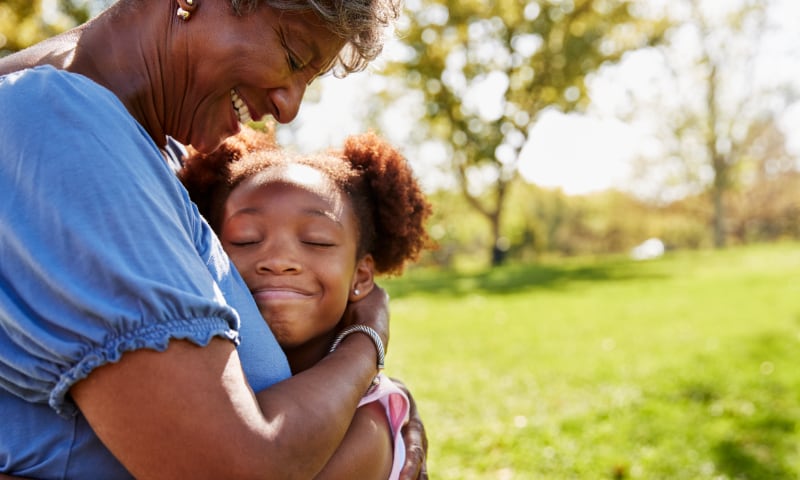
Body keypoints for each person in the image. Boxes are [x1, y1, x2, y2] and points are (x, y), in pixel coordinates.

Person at [0, 0, 428, 478]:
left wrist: (382, 408)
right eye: (291, 54)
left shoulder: (160, 154)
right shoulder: (58, 127)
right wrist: (367, 342)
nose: (288, 108)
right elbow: (237, 466)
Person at [179, 126, 433, 479]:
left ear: (360, 277)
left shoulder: (366, 423)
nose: (279, 259)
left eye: (317, 241)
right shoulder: (196, 371)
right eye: (246, 239)